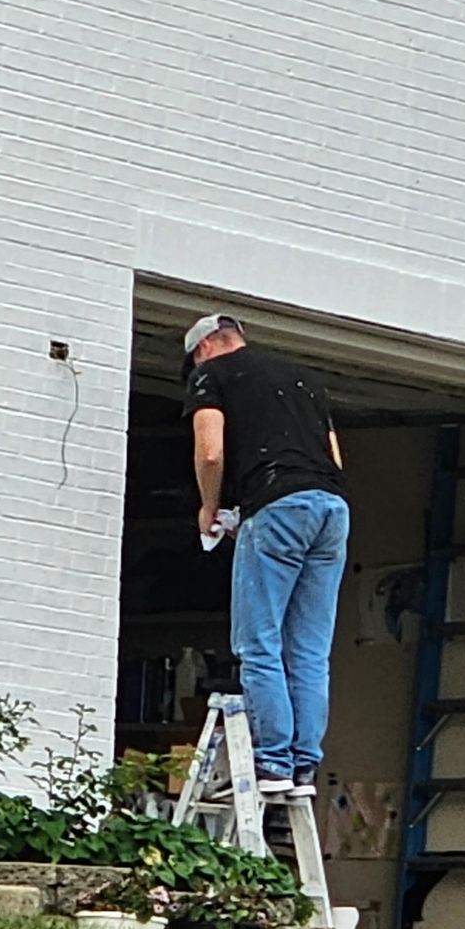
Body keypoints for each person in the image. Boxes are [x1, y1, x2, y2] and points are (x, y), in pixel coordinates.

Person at [181, 311, 348, 799]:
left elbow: (210, 452)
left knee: (259, 644)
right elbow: (334, 459)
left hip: (275, 504)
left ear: (204, 349)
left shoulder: (211, 375)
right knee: (310, 649)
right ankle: (303, 768)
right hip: (331, 510)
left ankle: (272, 762)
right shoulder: (306, 380)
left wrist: (211, 509)